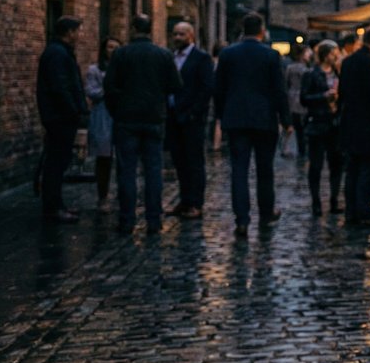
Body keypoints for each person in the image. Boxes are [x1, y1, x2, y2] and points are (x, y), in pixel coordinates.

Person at [104, 15, 182, 235]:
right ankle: (153, 220)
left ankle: (127, 220)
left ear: (133, 29)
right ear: (150, 30)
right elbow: (176, 85)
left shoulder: (121, 54)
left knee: (127, 171)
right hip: (154, 119)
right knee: (153, 171)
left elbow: (109, 87)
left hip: (126, 119)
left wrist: (117, 111)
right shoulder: (163, 55)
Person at [214, 13, 291, 237]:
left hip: (236, 119)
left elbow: (219, 88)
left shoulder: (228, 54)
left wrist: (221, 115)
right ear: (261, 30)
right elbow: (279, 91)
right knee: (264, 169)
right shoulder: (270, 55)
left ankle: (242, 219)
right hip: (264, 120)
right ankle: (266, 213)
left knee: (239, 170)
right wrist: (286, 120)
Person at [338, 27, 370, 227]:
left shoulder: (348, 61)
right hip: (368, 127)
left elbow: (342, 93)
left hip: (350, 124)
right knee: (368, 171)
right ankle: (365, 214)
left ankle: (351, 213)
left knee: (352, 172)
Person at [35, 15, 86, 223]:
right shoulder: (57, 53)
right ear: (70, 32)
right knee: (56, 163)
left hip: (59, 116)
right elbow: (60, 87)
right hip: (59, 117)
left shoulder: (60, 52)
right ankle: (52, 208)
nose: (80, 35)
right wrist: (73, 111)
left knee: (58, 162)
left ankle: (57, 205)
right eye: (78, 31)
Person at [167, 21, 214, 219]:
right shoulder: (171, 57)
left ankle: (196, 202)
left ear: (191, 36)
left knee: (194, 161)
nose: (177, 38)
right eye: (175, 34)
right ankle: (184, 199)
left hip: (192, 118)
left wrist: (194, 112)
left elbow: (206, 89)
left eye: (181, 35)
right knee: (179, 160)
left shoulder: (201, 58)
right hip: (173, 117)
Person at [302, 40, 344, 216]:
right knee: (316, 166)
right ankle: (316, 202)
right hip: (318, 124)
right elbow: (304, 99)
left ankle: (334, 200)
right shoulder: (311, 74)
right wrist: (323, 96)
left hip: (335, 125)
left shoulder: (338, 74)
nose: (337, 56)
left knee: (336, 165)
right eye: (334, 53)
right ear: (327, 55)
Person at [85, 36, 121, 213]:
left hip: (120, 114)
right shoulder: (95, 70)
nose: (112, 50)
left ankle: (122, 194)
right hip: (102, 114)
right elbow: (91, 91)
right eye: (109, 47)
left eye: (116, 47)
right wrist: (109, 89)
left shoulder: (125, 69)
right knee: (103, 157)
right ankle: (103, 196)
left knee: (123, 155)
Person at [284, 44, 311, 159]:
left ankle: (301, 149)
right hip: (302, 97)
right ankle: (303, 149)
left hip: (292, 96)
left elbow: (286, 82)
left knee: (297, 125)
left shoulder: (290, 67)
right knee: (303, 125)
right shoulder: (306, 69)